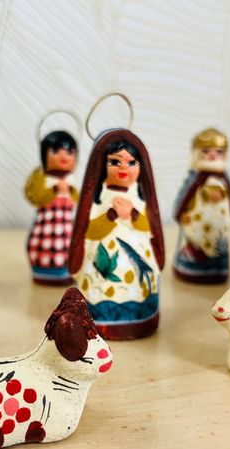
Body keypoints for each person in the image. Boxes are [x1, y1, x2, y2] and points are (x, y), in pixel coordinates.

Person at [69, 129, 164, 340]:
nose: (124, 168)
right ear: (102, 165)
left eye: (131, 163)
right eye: (115, 161)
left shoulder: (140, 200)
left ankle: (139, 317)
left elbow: (149, 227)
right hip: (101, 264)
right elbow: (89, 231)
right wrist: (111, 215)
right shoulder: (98, 201)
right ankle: (99, 318)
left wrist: (132, 214)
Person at [173, 128, 230, 283]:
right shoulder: (195, 178)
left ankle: (217, 267)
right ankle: (193, 264)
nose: (213, 155)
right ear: (196, 153)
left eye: (219, 151)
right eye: (206, 150)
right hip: (197, 221)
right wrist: (181, 213)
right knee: (196, 241)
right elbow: (185, 195)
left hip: (219, 223)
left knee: (218, 242)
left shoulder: (223, 178)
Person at [24, 130, 78, 285]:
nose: (63, 156)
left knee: (68, 248)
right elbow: (34, 196)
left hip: (66, 227)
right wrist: (54, 190)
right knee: (42, 247)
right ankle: (43, 273)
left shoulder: (71, 179)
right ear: (44, 155)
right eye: (55, 151)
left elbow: (76, 199)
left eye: (69, 152)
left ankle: (66, 272)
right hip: (46, 226)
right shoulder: (41, 177)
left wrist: (70, 191)